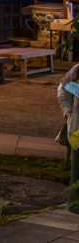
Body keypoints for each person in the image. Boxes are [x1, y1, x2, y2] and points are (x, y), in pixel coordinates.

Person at [58, 63, 79, 213]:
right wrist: (68, 110)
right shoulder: (77, 70)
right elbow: (63, 88)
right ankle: (75, 204)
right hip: (78, 127)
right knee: (77, 166)